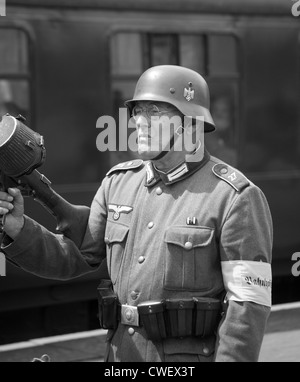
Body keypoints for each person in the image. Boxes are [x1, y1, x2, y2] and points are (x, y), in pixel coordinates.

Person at [0, 65, 273, 362]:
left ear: (190, 124)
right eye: (137, 112)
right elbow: (73, 258)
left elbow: (247, 305)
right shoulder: (118, 183)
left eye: (154, 112)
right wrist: (18, 228)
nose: (139, 122)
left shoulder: (235, 197)